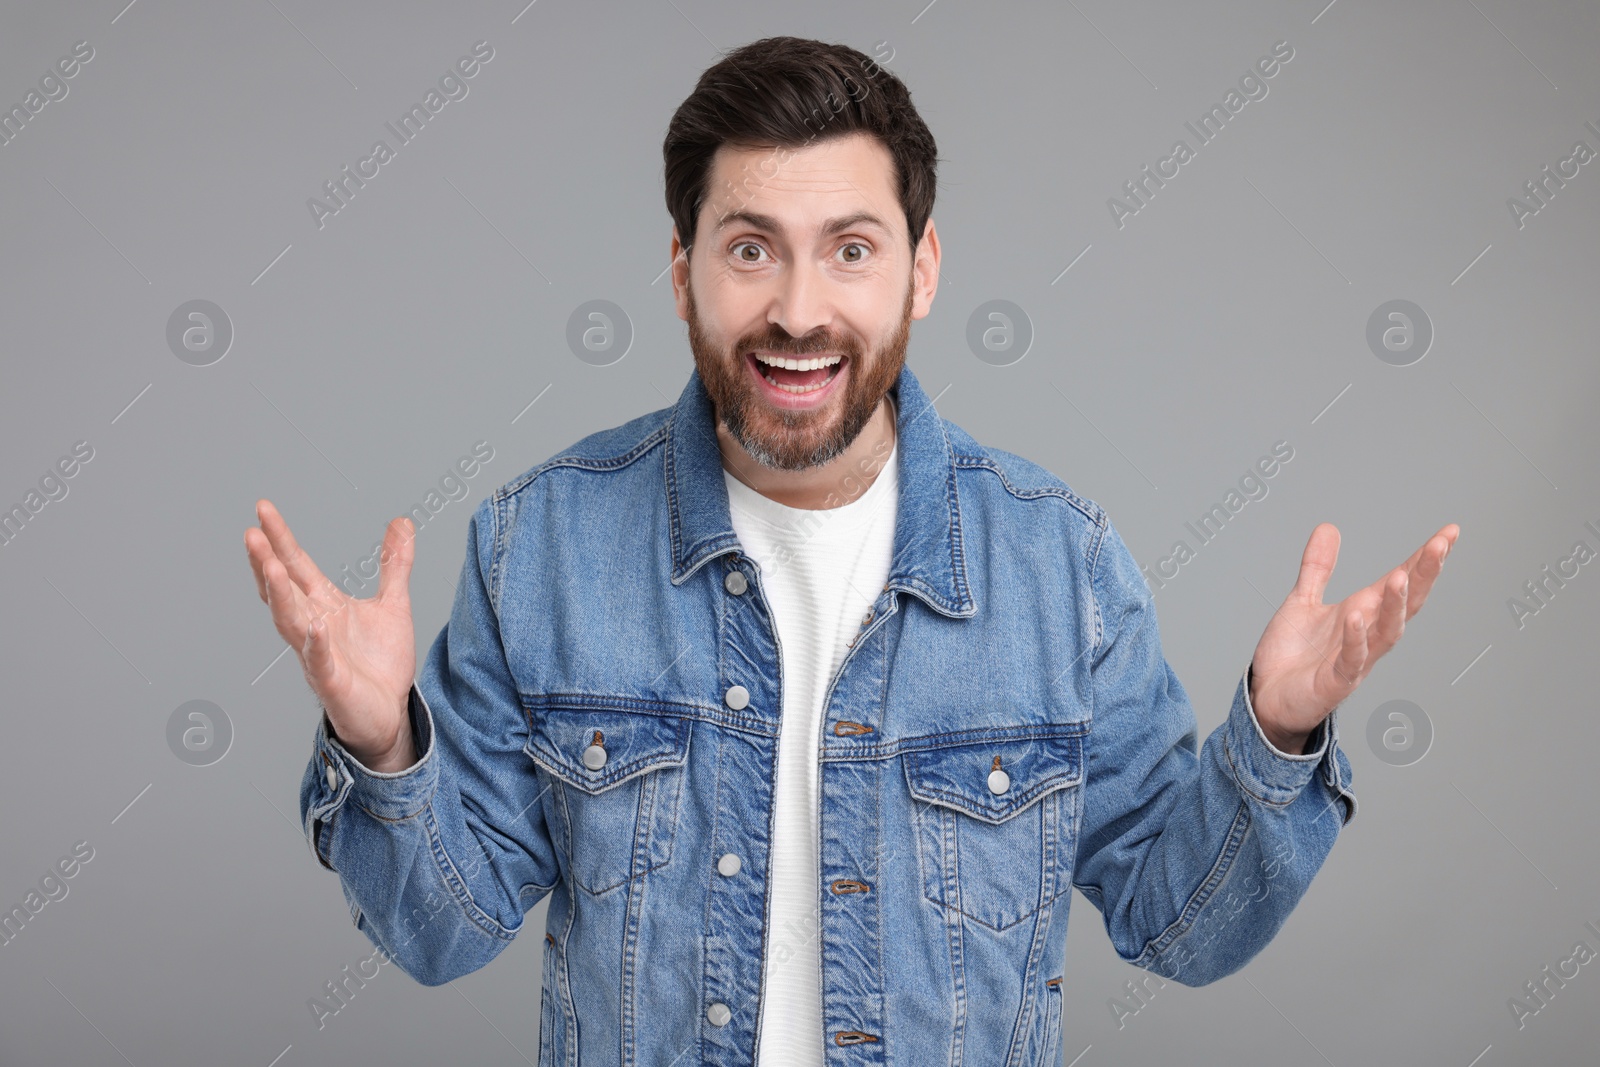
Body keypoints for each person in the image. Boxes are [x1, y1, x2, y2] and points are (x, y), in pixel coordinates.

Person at [243, 35, 1457, 1065]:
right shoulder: (540, 544)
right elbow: (444, 932)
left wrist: (1277, 736)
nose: (799, 308)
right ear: (683, 273)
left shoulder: (1058, 564)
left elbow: (1176, 923)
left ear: (921, 272)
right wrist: (379, 739)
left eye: (852, 249)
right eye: (751, 246)